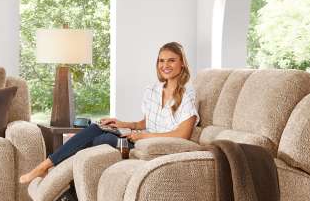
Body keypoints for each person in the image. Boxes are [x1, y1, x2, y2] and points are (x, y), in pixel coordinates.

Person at [19, 41, 199, 186]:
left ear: (182, 63)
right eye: (161, 61)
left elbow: (183, 135)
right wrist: (123, 124)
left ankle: (54, 172)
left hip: (154, 148)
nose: (165, 65)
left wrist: (144, 136)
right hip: (139, 140)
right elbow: (147, 122)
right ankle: (49, 168)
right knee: (97, 129)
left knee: (100, 140)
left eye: (171, 60)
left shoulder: (187, 95)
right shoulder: (152, 90)